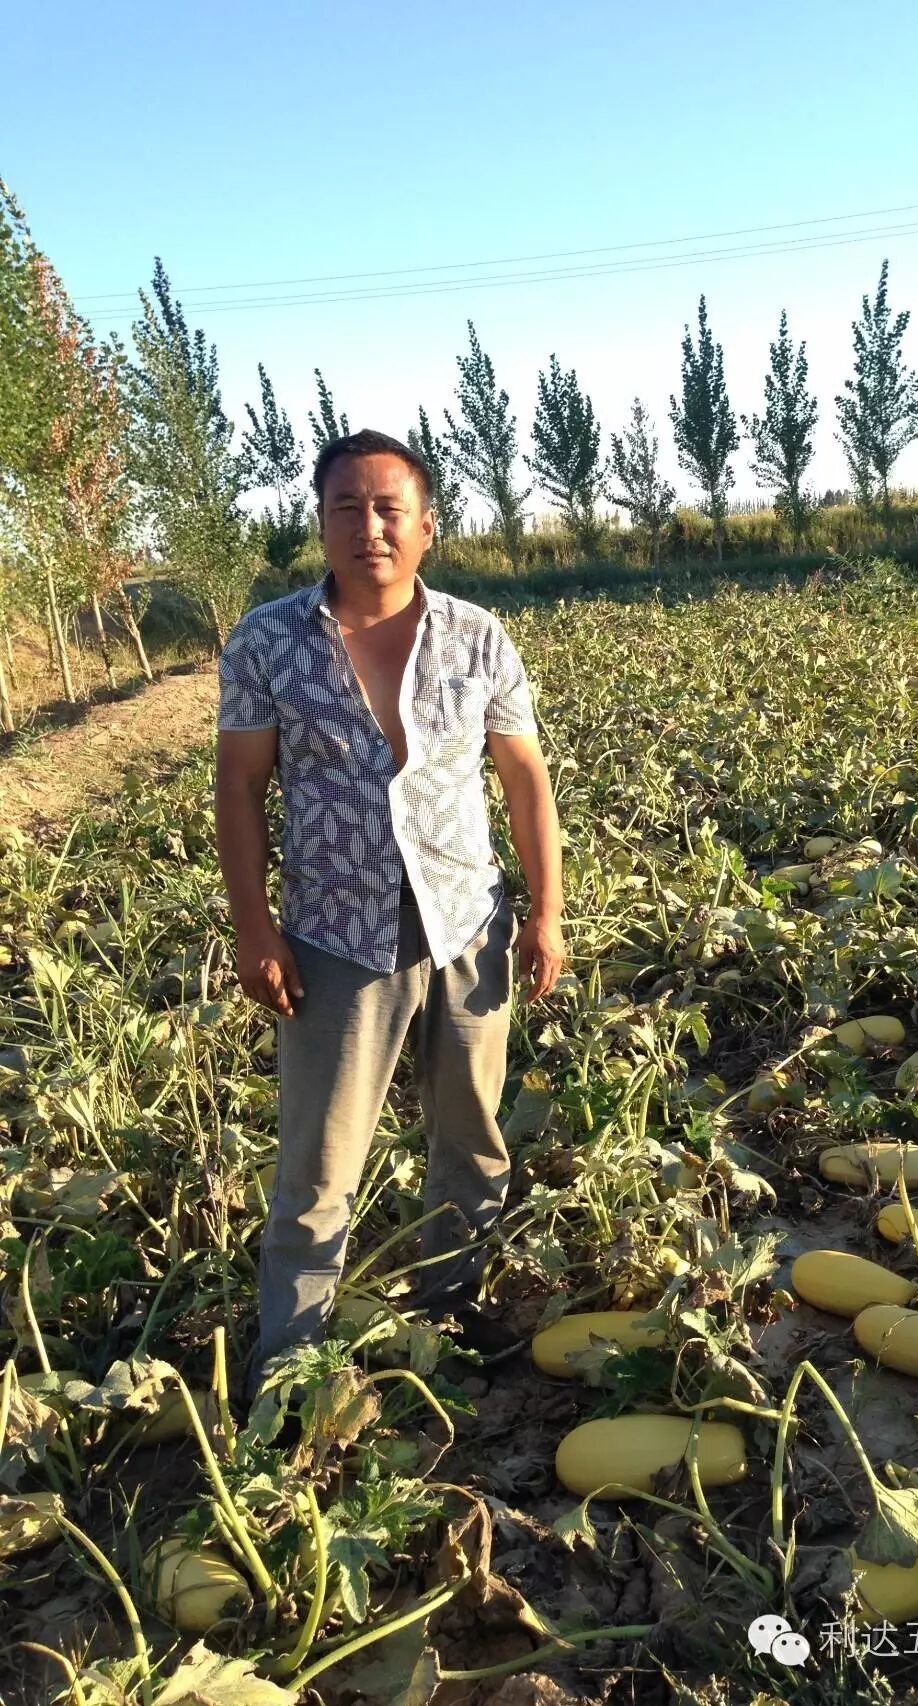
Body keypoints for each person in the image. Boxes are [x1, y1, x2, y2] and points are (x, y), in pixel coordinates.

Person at [214, 427, 566, 1401]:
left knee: (470, 1138)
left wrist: (546, 912)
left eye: (387, 508)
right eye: (345, 506)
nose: (367, 525)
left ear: (425, 527)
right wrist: (254, 928)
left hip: (466, 920)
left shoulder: (478, 635)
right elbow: (239, 788)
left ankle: (445, 1315)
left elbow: (523, 777)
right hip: (333, 935)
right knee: (318, 1167)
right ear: (318, 522)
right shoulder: (267, 642)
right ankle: (285, 1378)